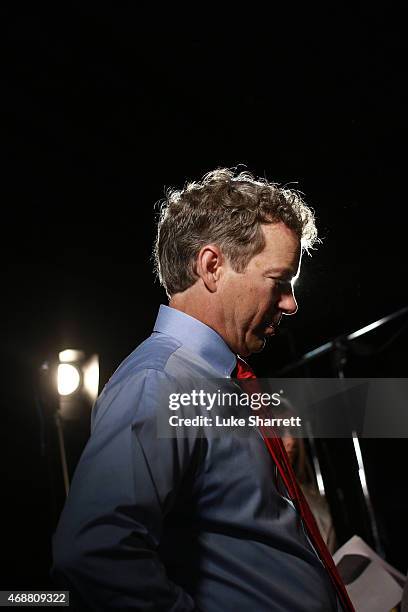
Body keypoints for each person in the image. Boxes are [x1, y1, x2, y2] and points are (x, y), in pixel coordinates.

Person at [52, 168, 351, 611]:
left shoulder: (219, 382)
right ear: (212, 267)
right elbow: (94, 554)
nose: (291, 303)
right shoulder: (159, 382)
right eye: (279, 280)